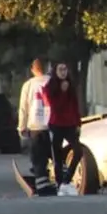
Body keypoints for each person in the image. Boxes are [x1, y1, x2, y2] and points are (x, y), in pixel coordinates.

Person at [42, 62, 83, 196]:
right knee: (57, 156)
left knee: (78, 151)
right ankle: (60, 185)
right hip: (56, 124)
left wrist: (78, 123)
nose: (63, 72)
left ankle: (66, 180)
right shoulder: (50, 87)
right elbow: (55, 107)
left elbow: (75, 105)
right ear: (55, 71)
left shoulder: (70, 85)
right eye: (60, 69)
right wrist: (62, 92)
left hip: (70, 124)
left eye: (65, 69)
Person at [17, 59, 53, 196]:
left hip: (36, 127)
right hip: (52, 126)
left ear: (33, 69)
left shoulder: (28, 85)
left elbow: (23, 108)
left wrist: (21, 127)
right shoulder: (52, 82)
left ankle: (42, 187)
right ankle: (57, 182)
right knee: (54, 156)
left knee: (38, 158)